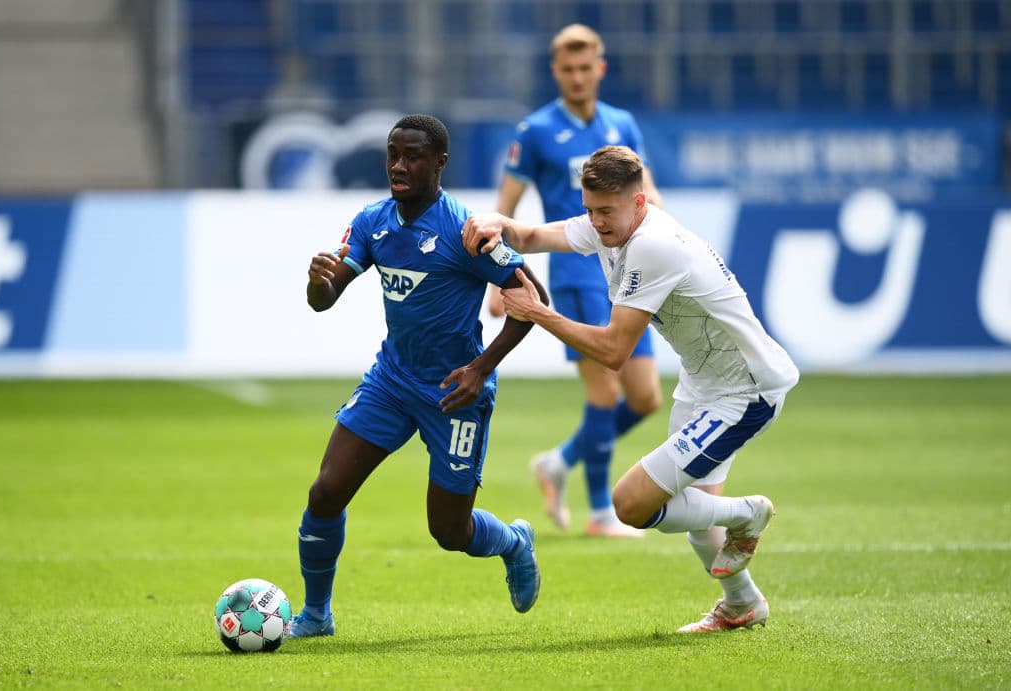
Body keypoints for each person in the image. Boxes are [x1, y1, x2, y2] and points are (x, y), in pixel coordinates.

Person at [463, 145, 800, 633]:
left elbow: (615, 350)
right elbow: (535, 234)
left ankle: (749, 515)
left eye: (606, 211)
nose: (595, 221)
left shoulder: (652, 246)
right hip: (703, 383)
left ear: (639, 204)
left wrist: (538, 311)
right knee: (699, 522)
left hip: (746, 390)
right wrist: (500, 222)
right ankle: (741, 605)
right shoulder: (612, 227)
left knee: (632, 503)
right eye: (590, 209)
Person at [289, 114, 546, 638]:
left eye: (412, 157)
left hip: (455, 392)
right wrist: (317, 283)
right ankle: (316, 616)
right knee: (325, 494)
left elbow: (532, 300)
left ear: (440, 163)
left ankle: (515, 543)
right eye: (392, 156)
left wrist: (480, 369)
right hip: (392, 381)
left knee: (448, 531)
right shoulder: (370, 221)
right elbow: (325, 300)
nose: (399, 166)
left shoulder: (466, 231)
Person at [489, 23, 665, 538]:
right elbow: (506, 207)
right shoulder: (537, 131)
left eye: (585, 68)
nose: (577, 77)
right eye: (567, 69)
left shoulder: (621, 124)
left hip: (629, 272)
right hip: (575, 271)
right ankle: (599, 514)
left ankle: (560, 462)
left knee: (646, 397)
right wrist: (495, 279)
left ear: (600, 69)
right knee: (604, 392)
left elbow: (647, 192)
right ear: (555, 72)